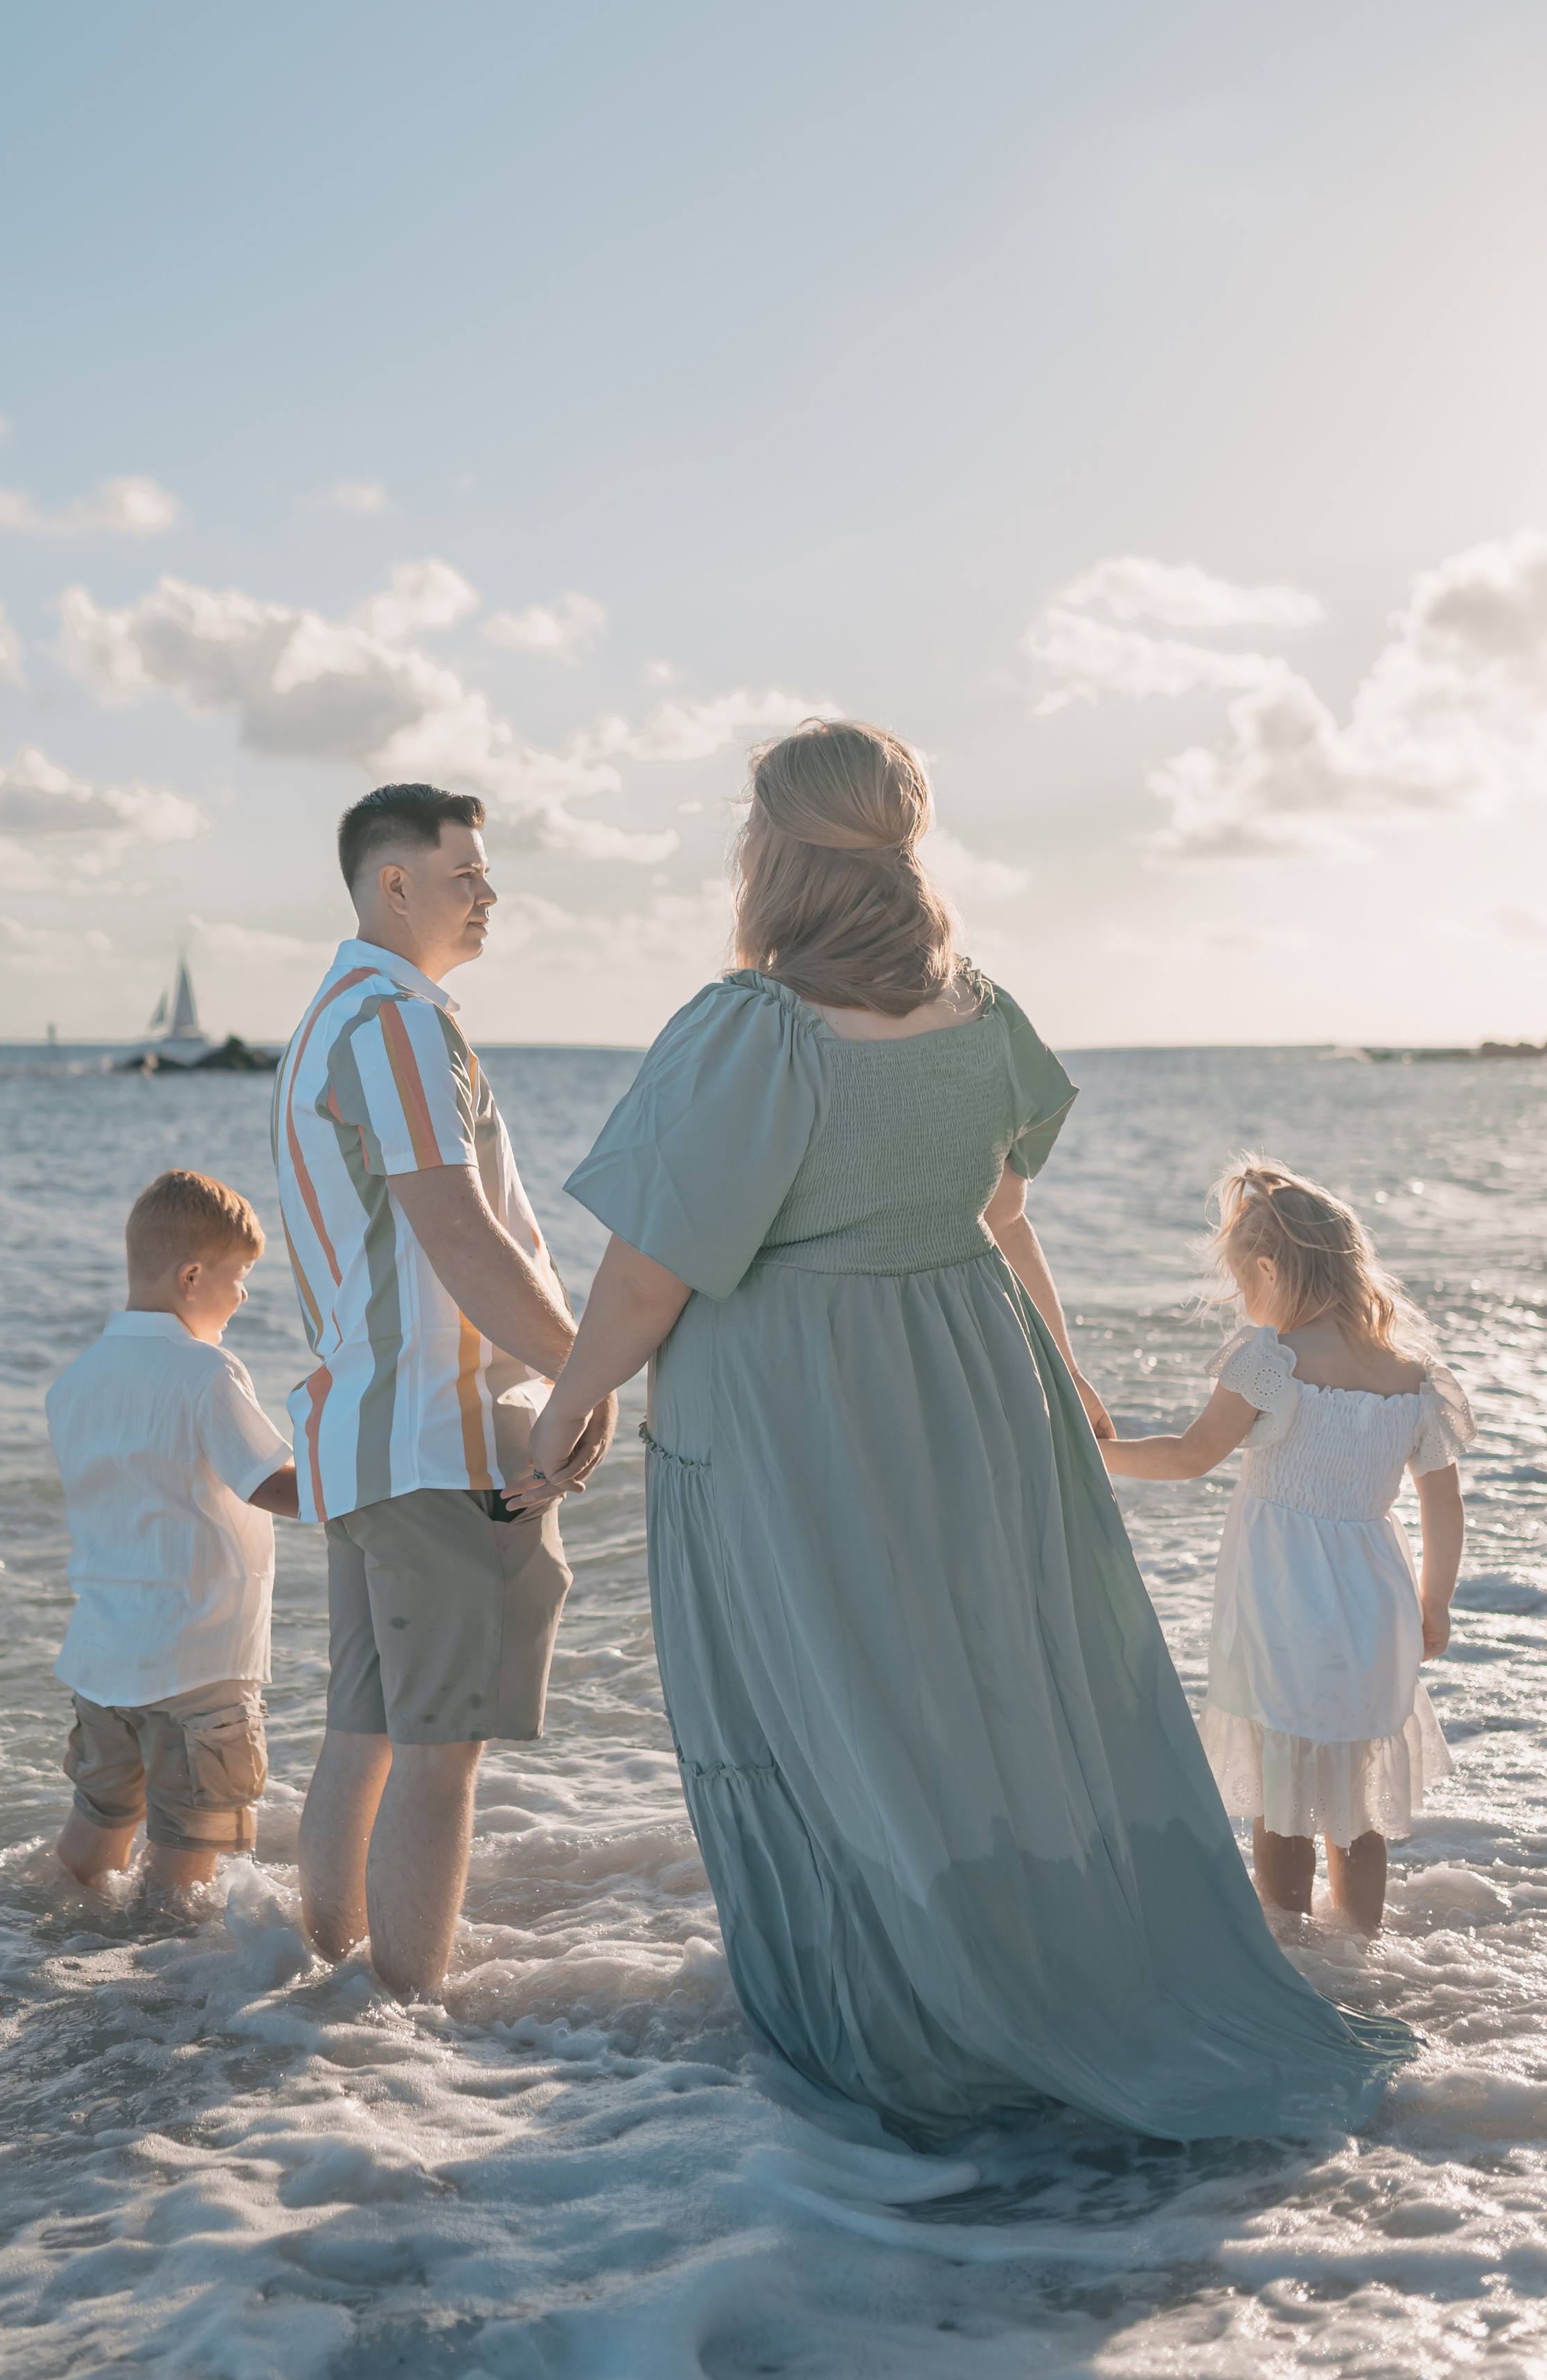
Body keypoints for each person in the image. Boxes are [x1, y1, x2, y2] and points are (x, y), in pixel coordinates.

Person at [529, 718, 1413, 2146]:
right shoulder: (979, 1014)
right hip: (971, 1380)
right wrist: (1059, 1378)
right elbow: (1005, 1221)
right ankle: (1028, 1961)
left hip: (793, 1406)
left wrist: (569, 1406)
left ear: (770, 852)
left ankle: (887, 1999)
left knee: (821, 1697)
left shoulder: (746, 1031)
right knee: (977, 1695)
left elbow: (647, 1272)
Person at [275, 782, 616, 1994]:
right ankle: (403, 2034)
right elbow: (461, 1234)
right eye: (465, 875)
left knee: (364, 1735)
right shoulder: (397, 1025)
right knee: (437, 1755)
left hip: (368, 1445)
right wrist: (587, 1373)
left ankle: (324, 2003)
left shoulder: (330, 1022)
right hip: (435, 1441)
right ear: (393, 885)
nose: (488, 897)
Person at [1097, 1162, 1471, 1934]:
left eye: (1243, 1285)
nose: (1244, 1302)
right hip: (1377, 1610)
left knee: (1282, 1798)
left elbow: (1188, 1457)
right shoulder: (1412, 1377)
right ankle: (1358, 1951)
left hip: (1282, 1611)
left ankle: (1290, 1946)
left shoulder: (1270, 1363)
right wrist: (1433, 1602)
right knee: (1354, 1802)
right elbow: (1443, 1500)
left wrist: (1092, 1450)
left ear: (1268, 1269)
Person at [48, 1170, 301, 1895]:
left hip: (103, 1662)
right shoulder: (208, 1371)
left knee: (94, 1836)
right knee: (185, 1863)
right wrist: (367, 1489)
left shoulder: (76, 1381)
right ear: (193, 1276)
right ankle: (154, 2001)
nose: (244, 1296)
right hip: (201, 1663)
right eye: (240, 1277)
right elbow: (271, 1484)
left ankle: (35, 1963)